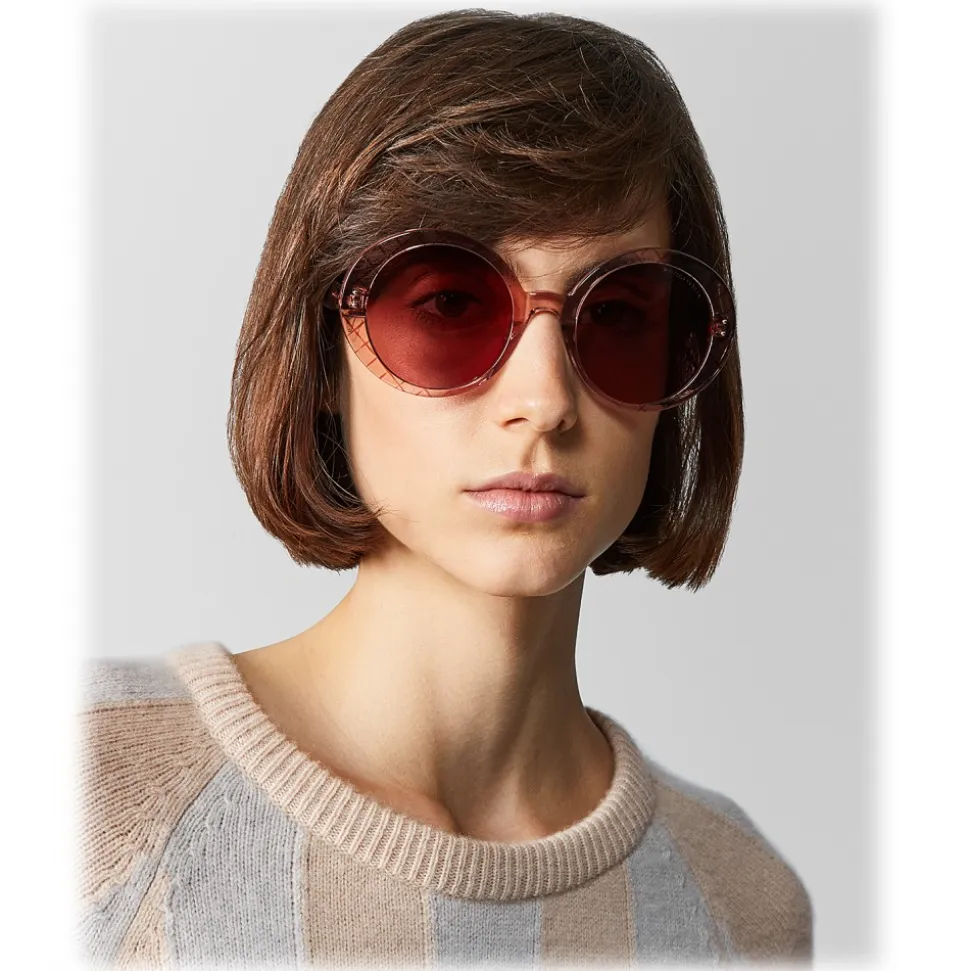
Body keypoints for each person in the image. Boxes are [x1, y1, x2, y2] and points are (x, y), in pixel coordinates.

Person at [78, 9, 813, 967]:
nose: (546, 401)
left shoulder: (742, 904)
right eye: (450, 305)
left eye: (617, 316)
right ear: (322, 350)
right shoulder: (84, 790)